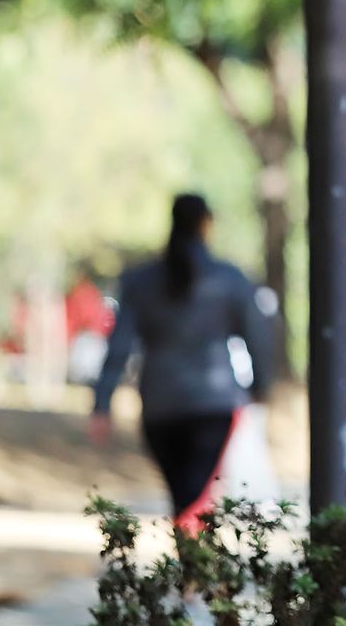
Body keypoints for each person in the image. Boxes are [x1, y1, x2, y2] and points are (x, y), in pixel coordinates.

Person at [91, 193, 275, 532]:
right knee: (195, 494)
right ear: (206, 224)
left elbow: (119, 346)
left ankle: (193, 572)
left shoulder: (140, 282)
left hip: (160, 403)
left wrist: (102, 402)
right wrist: (261, 386)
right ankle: (198, 572)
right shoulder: (230, 278)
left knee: (185, 495)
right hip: (214, 403)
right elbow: (258, 336)